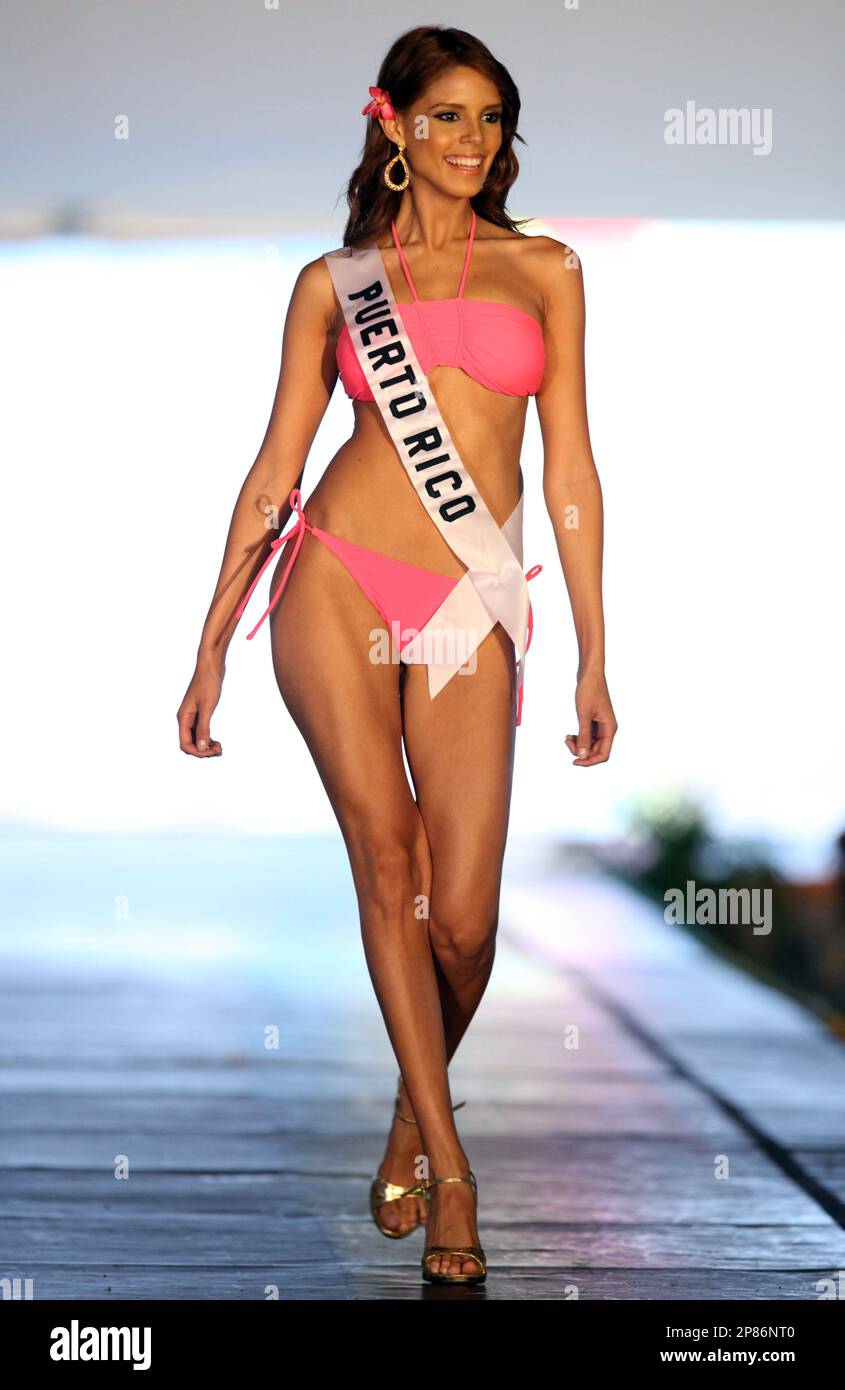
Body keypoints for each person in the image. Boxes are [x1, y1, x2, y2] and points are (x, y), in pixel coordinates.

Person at [177, 25, 617, 1286]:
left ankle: (409, 1113)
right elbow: (273, 473)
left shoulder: (550, 270)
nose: (472, 142)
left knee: (465, 923)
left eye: (490, 119)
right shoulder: (334, 283)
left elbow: (571, 470)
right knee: (389, 856)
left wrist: (591, 647)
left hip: (473, 598)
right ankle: (454, 1172)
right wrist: (210, 641)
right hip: (337, 576)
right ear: (394, 129)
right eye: (447, 118)